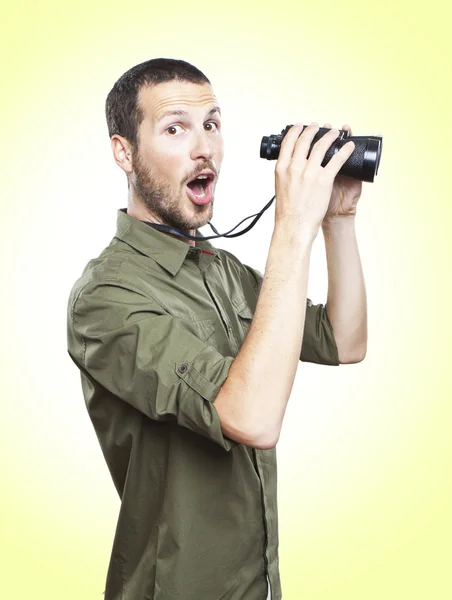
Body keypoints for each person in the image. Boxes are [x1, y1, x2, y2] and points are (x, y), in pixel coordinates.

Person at [66, 58, 367, 600]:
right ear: (124, 152)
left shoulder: (221, 270)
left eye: (212, 124)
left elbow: (345, 340)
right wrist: (292, 226)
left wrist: (336, 221)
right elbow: (250, 418)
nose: (203, 147)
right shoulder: (106, 299)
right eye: (175, 128)